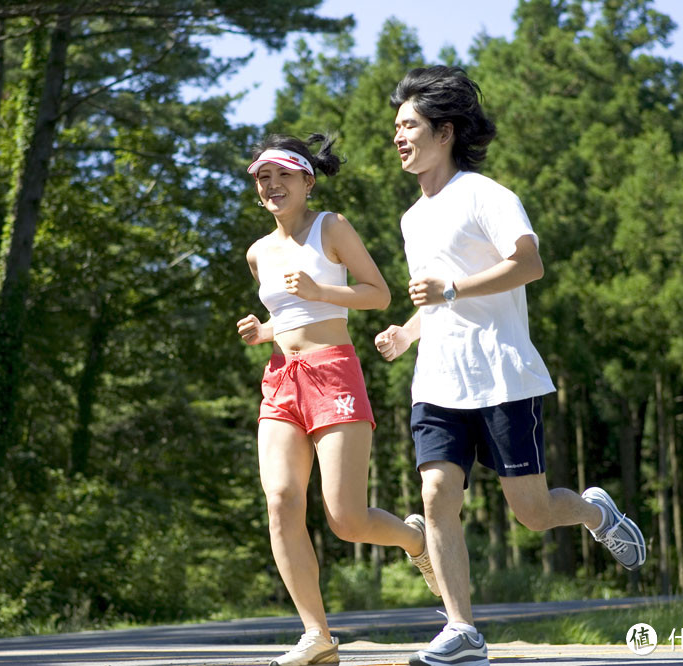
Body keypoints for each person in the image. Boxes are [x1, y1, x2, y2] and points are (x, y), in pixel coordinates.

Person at [374, 66, 647, 666]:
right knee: (437, 490)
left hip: (500, 373)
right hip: (439, 379)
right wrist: (407, 332)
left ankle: (597, 512)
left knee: (532, 512)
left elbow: (528, 265)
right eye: (394, 126)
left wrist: (449, 291)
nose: (397, 136)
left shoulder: (487, 195)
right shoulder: (412, 217)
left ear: (444, 131)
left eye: (408, 125)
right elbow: (436, 298)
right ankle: (462, 628)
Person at [236, 133, 440, 666]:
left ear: (307, 179)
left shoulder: (332, 226)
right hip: (281, 378)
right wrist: (266, 331)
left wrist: (321, 291)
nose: (272, 185)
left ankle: (414, 540)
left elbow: (378, 294)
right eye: (263, 177)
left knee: (344, 519)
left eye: (283, 175)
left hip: (333, 373)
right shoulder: (258, 252)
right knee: (280, 501)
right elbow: (290, 315)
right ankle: (317, 635)